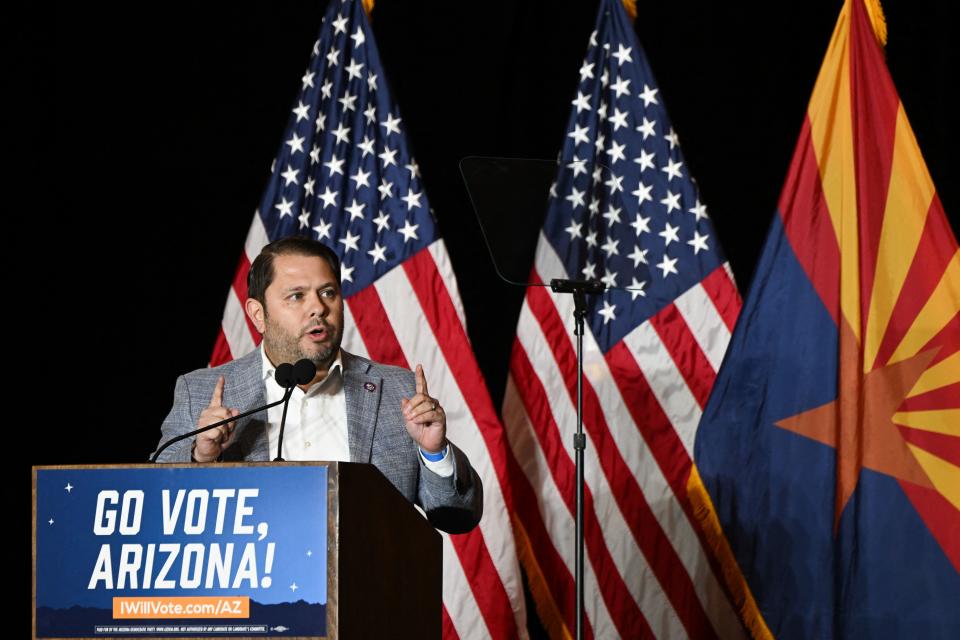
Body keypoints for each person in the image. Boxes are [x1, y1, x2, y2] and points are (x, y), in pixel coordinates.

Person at [152, 236, 482, 533]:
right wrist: (201, 456)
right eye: (297, 296)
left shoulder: (397, 390)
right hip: (251, 598)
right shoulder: (200, 391)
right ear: (258, 315)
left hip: (370, 592)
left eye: (328, 293)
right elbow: (151, 509)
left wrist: (435, 452)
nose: (318, 308)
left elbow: (457, 516)